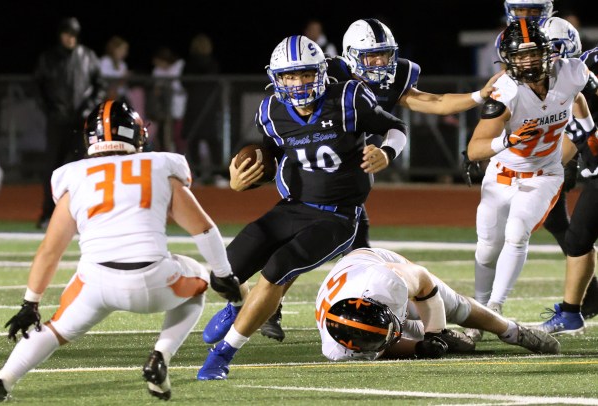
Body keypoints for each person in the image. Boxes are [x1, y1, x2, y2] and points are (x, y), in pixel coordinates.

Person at [256, 18, 503, 341]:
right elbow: (290, 105)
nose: (379, 63)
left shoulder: (394, 77)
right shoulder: (326, 76)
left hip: (349, 172)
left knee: (351, 244)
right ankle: (270, 307)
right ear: (349, 55)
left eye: (384, 55)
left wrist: (477, 96)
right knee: (316, 240)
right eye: (370, 56)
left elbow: (432, 102)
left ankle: (373, 314)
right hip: (309, 168)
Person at [0, 100, 241, 403]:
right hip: (156, 279)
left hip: (96, 282)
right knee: (197, 280)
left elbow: (50, 250)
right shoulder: (160, 166)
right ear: (136, 134)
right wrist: (222, 274)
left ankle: (2, 381)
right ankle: (160, 355)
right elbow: (204, 228)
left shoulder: (75, 176)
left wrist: (30, 303)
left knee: (54, 329)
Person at [196, 35, 408, 380]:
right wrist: (242, 182)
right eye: (290, 76)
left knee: (277, 269)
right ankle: (238, 305)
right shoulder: (271, 112)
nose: (298, 83)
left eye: (306, 74)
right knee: (223, 275)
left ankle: (223, 354)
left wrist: (386, 153)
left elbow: (396, 127)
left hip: (337, 215)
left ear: (321, 73)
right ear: (276, 79)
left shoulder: (348, 98)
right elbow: (275, 157)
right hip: (292, 206)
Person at [463, 19, 592, 342]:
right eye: (520, 57)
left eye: (534, 53)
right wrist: (507, 141)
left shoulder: (571, 72)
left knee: (517, 232)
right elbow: (475, 149)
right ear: (508, 60)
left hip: (544, 174)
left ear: (549, 53)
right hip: (502, 174)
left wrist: (587, 127)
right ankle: (479, 310)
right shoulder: (506, 90)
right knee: (487, 249)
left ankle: (493, 308)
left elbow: (577, 95)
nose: (529, 62)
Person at [316, 247, 561, 361]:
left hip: (373, 262)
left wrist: (436, 331)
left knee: (454, 305)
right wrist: (419, 348)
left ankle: (512, 331)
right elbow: (381, 347)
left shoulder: (388, 284)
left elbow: (423, 280)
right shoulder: (340, 348)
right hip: (359, 293)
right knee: (418, 337)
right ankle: (442, 336)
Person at [538, 44, 598, 334]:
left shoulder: (584, 70)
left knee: (578, 238)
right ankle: (573, 312)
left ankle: (574, 311)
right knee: (578, 239)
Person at [34, 17, 106, 230]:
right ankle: (48, 213)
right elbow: (37, 87)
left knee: (81, 168)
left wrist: (88, 109)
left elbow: (99, 86)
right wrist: (49, 111)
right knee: (53, 168)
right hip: (57, 122)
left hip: (80, 123)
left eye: (74, 34)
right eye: (67, 34)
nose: (70, 39)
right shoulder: (48, 58)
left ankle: (79, 215)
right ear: (60, 35)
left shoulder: (88, 57)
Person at [180, 33, 225, 184]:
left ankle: (198, 174)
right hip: (210, 105)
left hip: (194, 104)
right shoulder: (213, 63)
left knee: (194, 139)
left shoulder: (189, 64)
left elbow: (183, 83)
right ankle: (218, 174)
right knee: (213, 140)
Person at [147, 47, 187, 153]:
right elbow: (156, 89)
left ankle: (181, 156)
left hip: (179, 106)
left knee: (177, 134)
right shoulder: (157, 71)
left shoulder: (179, 66)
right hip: (163, 109)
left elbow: (181, 86)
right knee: (164, 136)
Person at [99, 35, 130, 101]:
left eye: (125, 50)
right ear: (113, 49)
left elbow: (123, 83)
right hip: (106, 95)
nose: (124, 52)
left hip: (121, 95)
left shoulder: (123, 64)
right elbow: (105, 80)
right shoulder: (105, 61)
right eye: (121, 49)